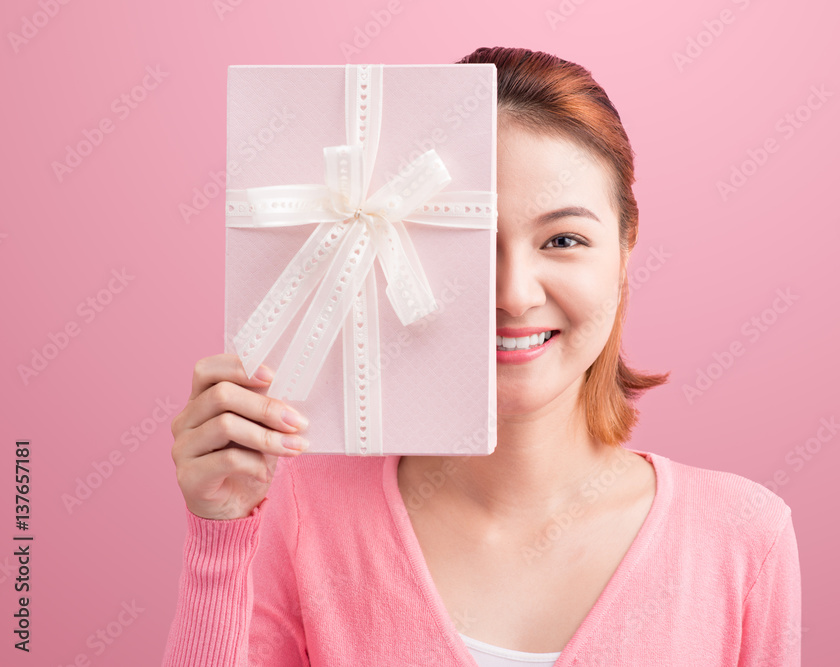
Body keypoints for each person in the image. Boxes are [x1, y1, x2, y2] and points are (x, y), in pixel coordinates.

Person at [162, 46, 801, 666]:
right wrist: (219, 537)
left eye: (564, 239)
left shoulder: (743, 539)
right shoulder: (303, 514)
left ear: (627, 248)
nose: (514, 295)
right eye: (474, 243)